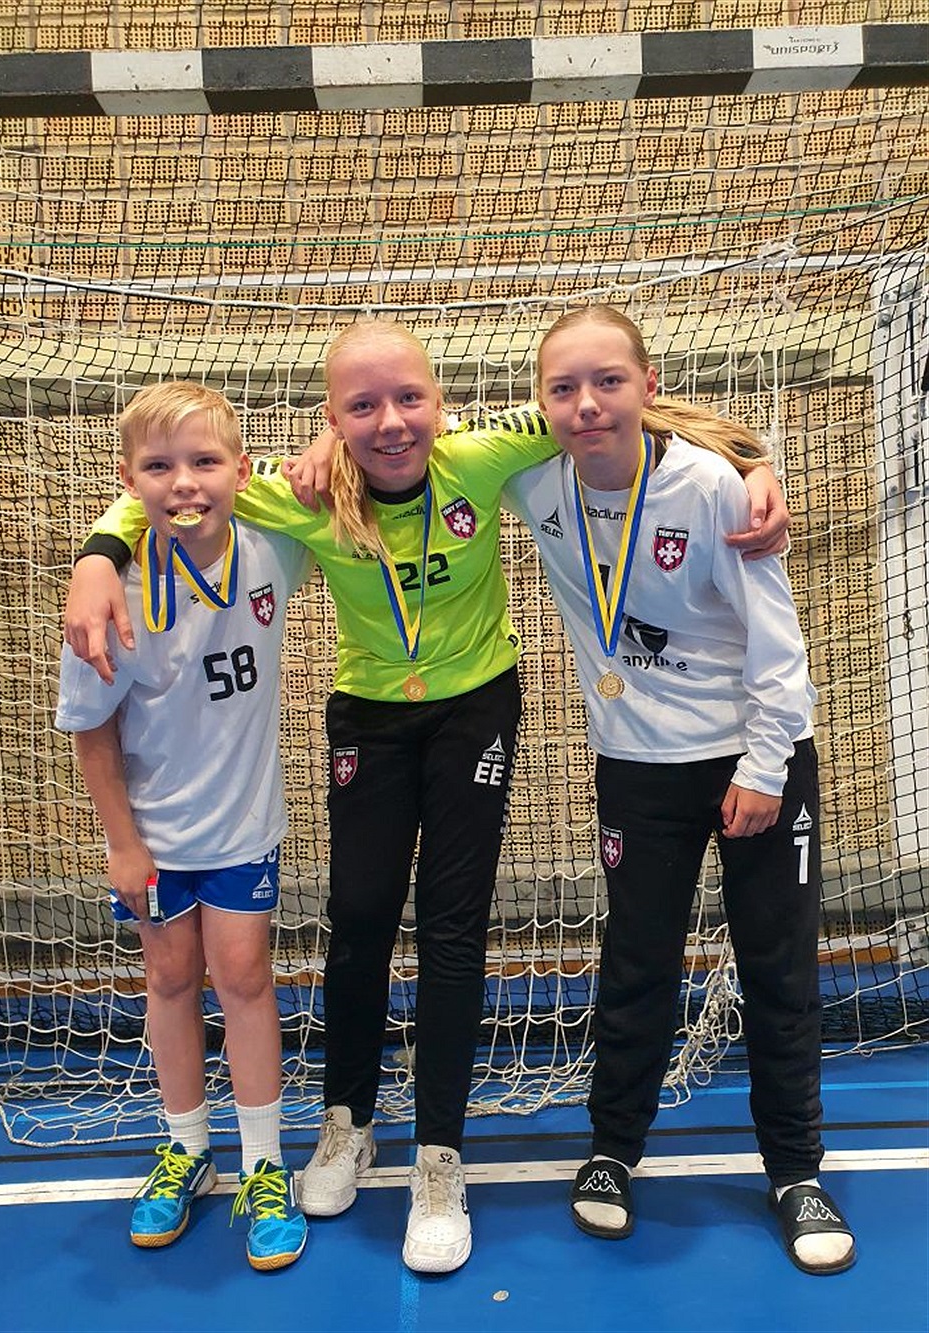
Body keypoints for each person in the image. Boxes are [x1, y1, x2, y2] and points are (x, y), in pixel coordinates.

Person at [63, 319, 789, 1275]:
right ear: (333, 419)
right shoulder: (299, 489)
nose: (391, 421)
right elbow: (173, 484)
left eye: (409, 398)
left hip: (473, 709)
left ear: (442, 405)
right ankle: (346, 1121)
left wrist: (751, 460)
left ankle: (439, 1156)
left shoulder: (481, 455)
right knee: (360, 916)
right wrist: (96, 556)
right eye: (362, 406)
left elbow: (614, 412)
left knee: (453, 926)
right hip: (368, 714)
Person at [500, 304, 855, 1275]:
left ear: (647, 385)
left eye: (608, 381)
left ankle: (795, 1170)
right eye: (563, 387)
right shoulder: (531, 479)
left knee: (777, 968)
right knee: (638, 963)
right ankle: (613, 1149)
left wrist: (762, 768)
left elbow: (779, 646)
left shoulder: (711, 487)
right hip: (636, 765)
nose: (586, 403)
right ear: (541, 402)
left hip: (756, 758)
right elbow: (409, 441)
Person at [55, 383, 313, 1271]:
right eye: (159, 466)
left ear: (240, 469)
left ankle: (264, 1163)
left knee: (243, 976)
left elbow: (332, 478)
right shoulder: (112, 593)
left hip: (242, 826)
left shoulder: (274, 546)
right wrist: (124, 844)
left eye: (205, 461)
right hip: (157, 839)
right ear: (129, 482)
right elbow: (92, 731)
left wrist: (321, 449)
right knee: (169, 978)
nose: (184, 482)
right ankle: (186, 1145)